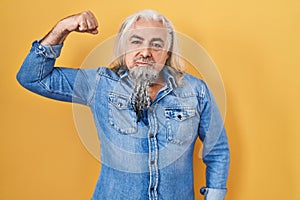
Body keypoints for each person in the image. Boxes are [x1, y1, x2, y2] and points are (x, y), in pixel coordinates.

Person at [17, 10, 230, 200]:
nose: (145, 52)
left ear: (168, 53)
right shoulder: (99, 84)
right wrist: (63, 27)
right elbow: (32, 78)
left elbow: (217, 150)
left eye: (156, 45)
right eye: (136, 41)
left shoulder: (196, 91)